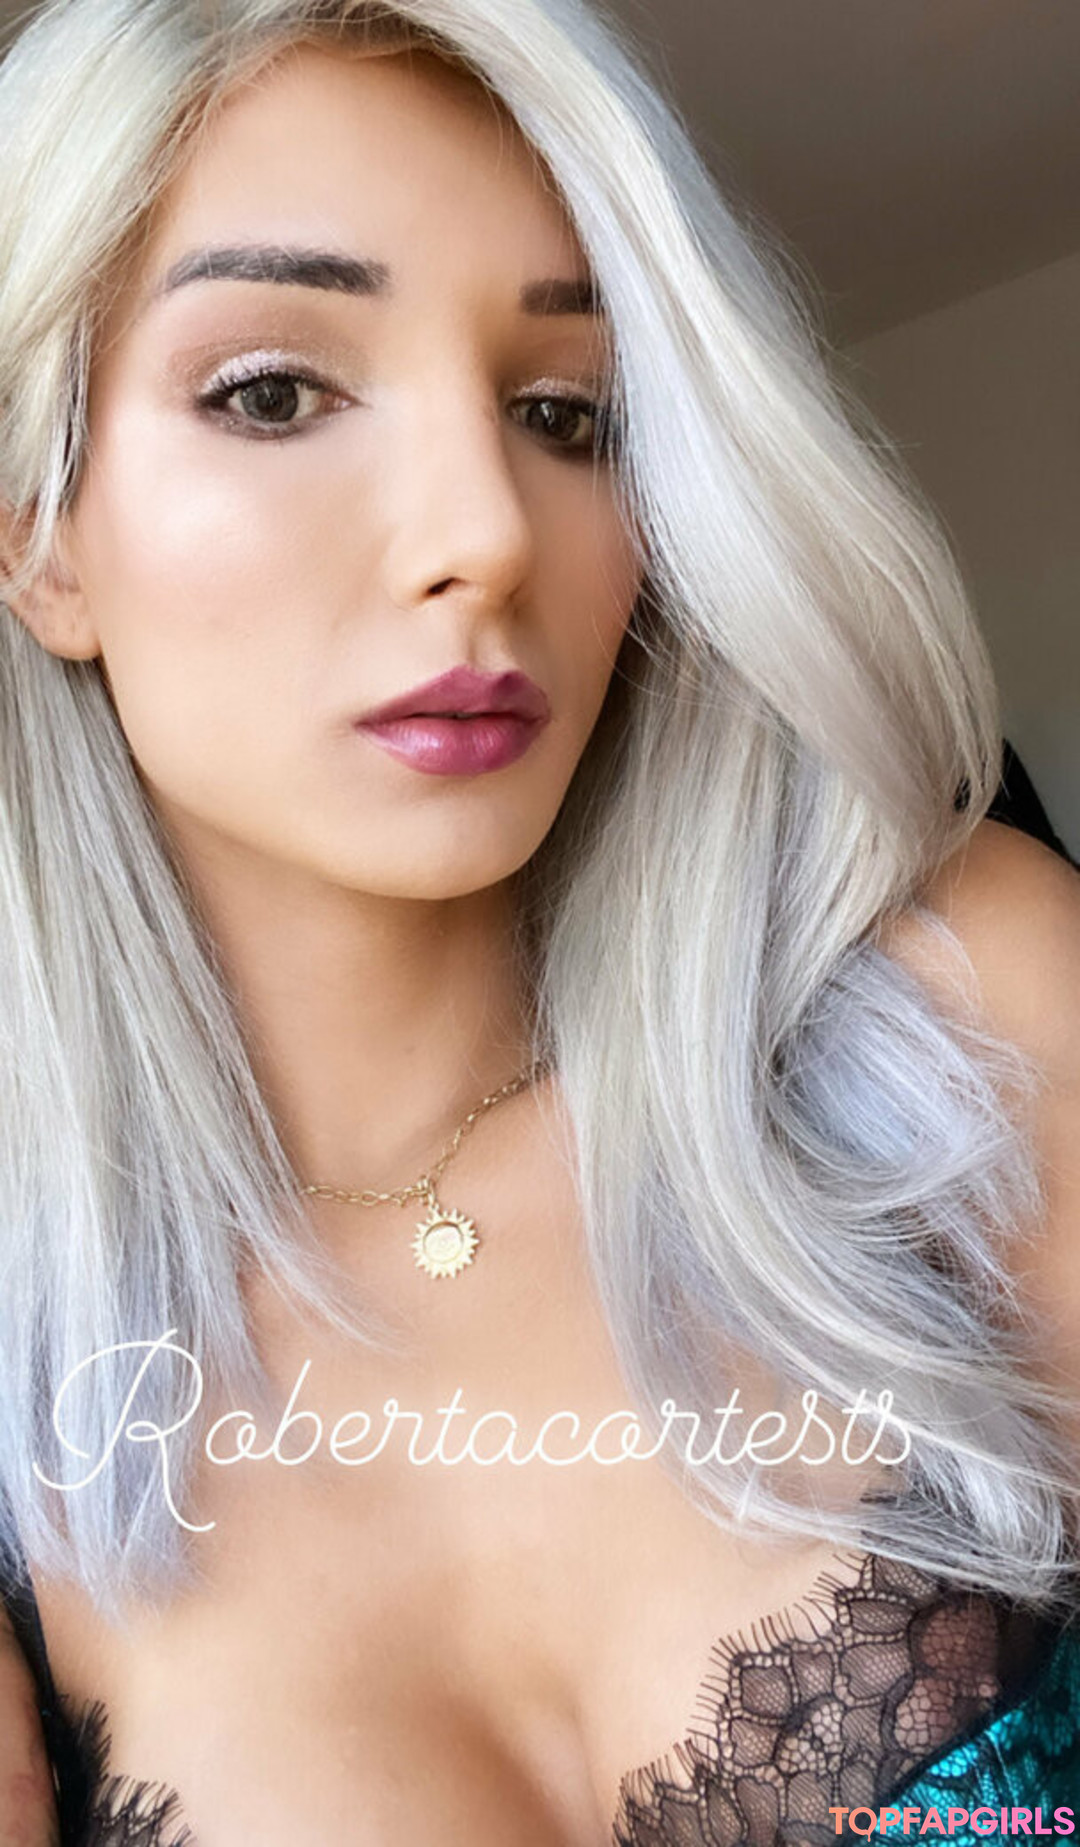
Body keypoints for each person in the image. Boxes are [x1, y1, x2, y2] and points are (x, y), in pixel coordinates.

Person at [0, 1, 1077, 1841]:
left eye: (565, 414)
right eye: (273, 393)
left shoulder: (949, 1020)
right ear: (40, 536)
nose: (488, 530)